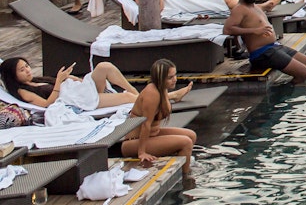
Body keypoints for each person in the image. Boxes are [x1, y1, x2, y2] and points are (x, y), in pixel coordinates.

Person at [225, 0, 306, 82]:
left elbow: (266, 8)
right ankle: (289, 93)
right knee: (302, 71)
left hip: (273, 47)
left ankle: (300, 86)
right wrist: (254, 30)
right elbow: (227, 29)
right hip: (261, 53)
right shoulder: (239, 9)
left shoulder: (255, 7)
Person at [0, 56, 168, 110]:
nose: (28, 70)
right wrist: (58, 82)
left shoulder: (37, 80)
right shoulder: (23, 91)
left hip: (80, 90)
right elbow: (46, 104)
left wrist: (69, 78)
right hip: (78, 100)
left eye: (27, 66)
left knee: (104, 67)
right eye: (22, 70)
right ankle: (161, 99)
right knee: (128, 99)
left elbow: (66, 83)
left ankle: (143, 94)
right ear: (12, 75)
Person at [120, 59, 197, 173]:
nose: (174, 79)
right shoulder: (152, 94)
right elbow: (146, 125)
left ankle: (180, 167)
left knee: (191, 135)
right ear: (160, 79)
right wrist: (142, 152)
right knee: (186, 142)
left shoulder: (162, 89)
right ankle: (186, 177)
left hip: (152, 135)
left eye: (175, 75)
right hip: (134, 142)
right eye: (170, 77)